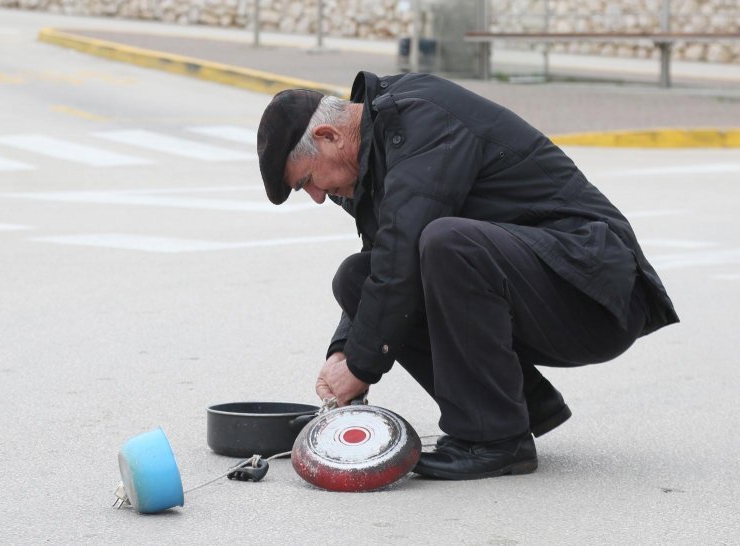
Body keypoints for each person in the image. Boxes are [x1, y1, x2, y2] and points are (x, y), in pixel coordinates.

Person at [256, 71, 678, 480]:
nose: (314, 197)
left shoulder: (422, 121)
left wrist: (362, 367)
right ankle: (515, 410)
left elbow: (403, 255)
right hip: (538, 286)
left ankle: (495, 439)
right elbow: (384, 261)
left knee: (449, 243)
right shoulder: (380, 150)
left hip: (591, 291)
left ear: (330, 136)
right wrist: (344, 350)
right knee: (355, 276)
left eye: (308, 181)